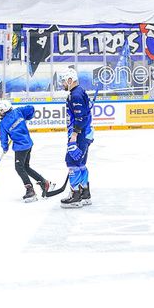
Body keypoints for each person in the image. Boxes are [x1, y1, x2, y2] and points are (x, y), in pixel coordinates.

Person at [0, 99, 51, 202]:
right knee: (25, 167)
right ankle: (44, 182)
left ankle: (30, 190)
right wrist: (27, 117)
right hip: (28, 144)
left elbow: (3, 138)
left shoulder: (3, 123)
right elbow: (31, 108)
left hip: (21, 147)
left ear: (3, 110)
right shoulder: (18, 111)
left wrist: (5, 147)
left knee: (19, 168)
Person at [60, 68, 93, 208]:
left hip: (79, 135)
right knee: (80, 164)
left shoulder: (76, 95)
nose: (62, 84)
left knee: (72, 162)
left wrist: (73, 135)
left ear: (69, 80)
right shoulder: (78, 92)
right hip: (84, 134)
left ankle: (75, 196)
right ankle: (85, 193)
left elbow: (81, 117)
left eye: (63, 81)